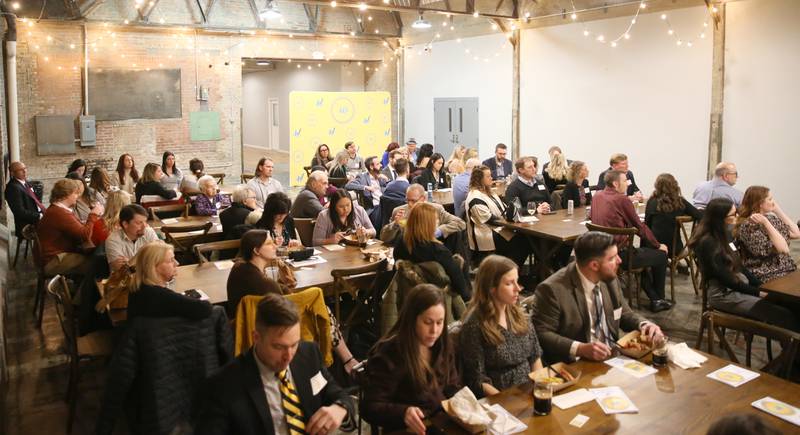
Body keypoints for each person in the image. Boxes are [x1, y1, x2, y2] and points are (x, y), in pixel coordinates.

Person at [195, 293, 355, 435]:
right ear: (256, 337)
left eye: (294, 344)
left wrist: (340, 408)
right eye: (279, 347)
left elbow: (335, 392)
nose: (289, 356)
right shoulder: (224, 385)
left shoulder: (308, 354)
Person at [532, 231, 665, 363]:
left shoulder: (609, 278)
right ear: (594, 265)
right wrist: (580, 348)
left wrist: (644, 325)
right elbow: (541, 333)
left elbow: (624, 313)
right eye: (612, 258)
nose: (619, 260)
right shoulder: (552, 290)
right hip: (576, 364)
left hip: (613, 356)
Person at [688, 198, 799, 332]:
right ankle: (790, 351)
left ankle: (791, 351)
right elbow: (727, 280)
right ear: (720, 218)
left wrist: (761, 286)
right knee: (784, 315)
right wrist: (758, 292)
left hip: (739, 287)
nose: (737, 217)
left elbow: (740, 266)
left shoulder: (725, 234)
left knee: (793, 305)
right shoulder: (708, 243)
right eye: (733, 214)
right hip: (724, 295)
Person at [362, 284, 460, 434]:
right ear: (412, 319)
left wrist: (461, 402)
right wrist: (404, 412)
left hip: (438, 423)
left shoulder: (443, 345)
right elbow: (370, 407)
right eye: (427, 322)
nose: (434, 331)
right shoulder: (390, 353)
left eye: (439, 322)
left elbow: (452, 386)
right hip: (405, 429)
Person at [459, 255, 543, 397]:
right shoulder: (474, 325)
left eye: (517, 281)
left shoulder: (519, 314)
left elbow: (535, 357)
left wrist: (542, 388)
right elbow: (478, 379)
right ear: (491, 287)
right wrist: (506, 403)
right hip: (500, 399)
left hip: (531, 392)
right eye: (510, 283)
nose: (518, 288)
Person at [591, 170, 672, 312]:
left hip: (600, 250)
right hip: (619, 254)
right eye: (625, 181)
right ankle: (659, 299)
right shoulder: (622, 199)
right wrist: (658, 245)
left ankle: (653, 297)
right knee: (660, 255)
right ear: (616, 184)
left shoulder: (597, 196)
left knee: (642, 255)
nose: (628, 184)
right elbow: (639, 227)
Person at [392, 203, 468, 299]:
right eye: (435, 219)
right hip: (437, 298)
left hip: (408, 296)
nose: (438, 221)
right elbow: (460, 285)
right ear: (428, 224)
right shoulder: (438, 251)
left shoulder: (400, 242)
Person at [128, 241, 212, 320]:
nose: (177, 263)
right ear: (154, 266)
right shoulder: (162, 296)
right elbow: (206, 308)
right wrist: (185, 299)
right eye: (171, 260)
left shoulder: (138, 286)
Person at [466, 165, 529, 267]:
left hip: (498, 227)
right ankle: (508, 270)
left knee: (526, 238)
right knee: (522, 242)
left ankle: (512, 270)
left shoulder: (490, 192)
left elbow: (503, 208)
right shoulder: (475, 197)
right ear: (479, 180)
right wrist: (510, 222)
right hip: (486, 233)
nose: (492, 178)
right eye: (488, 176)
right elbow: (490, 219)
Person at [37, 179, 103, 276]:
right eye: (75, 194)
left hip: (52, 256)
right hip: (52, 261)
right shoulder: (59, 213)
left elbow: (74, 228)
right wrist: (93, 215)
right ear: (67, 194)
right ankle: (83, 290)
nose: (77, 197)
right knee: (96, 263)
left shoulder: (57, 209)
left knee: (93, 254)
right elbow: (84, 236)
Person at [734, 186, 799, 282]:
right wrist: (766, 223)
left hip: (786, 268)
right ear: (760, 203)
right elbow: (783, 249)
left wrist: (777, 210)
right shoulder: (748, 226)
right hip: (768, 273)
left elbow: (796, 233)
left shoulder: (770, 218)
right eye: (770, 199)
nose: (773, 202)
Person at [225, 230, 286, 315]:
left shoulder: (238, 267)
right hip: (264, 325)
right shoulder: (265, 283)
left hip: (241, 323)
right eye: (269, 243)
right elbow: (285, 312)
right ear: (256, 251)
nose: (275, 246)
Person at [380, 184, 466, 244]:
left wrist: (439, 231)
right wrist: (394, 224)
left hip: (431, 251)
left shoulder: (435, 209)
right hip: (408, 252)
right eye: (407, 200)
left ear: (423, 198)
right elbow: (384, 238)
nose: (410, 204)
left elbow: (460, 223)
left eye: (413, 201)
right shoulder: (399, 211)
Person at [644, 173, 703, 256]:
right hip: (675, 248)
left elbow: (647, 225)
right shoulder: (680, 202)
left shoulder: (652, 202)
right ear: (674, 185)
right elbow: (700, 216)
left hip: (655, 246)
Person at [105, 204, 159, 271]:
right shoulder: (113, 240)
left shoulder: (148, 232)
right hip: (125, 280)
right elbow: (122, 271)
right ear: (125, 224)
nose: (144, 226)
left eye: (145, 221)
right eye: (139, 223)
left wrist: (130, 262)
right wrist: (146, 257)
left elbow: (160, 258)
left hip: (149, 276)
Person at [5, 161, 44, 241]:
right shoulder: (13, 188)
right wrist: (39, 216)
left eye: (25, 168)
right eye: (20, 170)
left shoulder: (24, 182)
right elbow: (19, 211)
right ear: (12, 173)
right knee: (57, 227)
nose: (24, 171)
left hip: (37, 216)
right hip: (28, 224)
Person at [346, 156, 387, 227]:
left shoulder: (381, 177)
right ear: (371, 167)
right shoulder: (362, 177)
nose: (381, 165)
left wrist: (386, 180)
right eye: (378, 164)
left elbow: (387, 189)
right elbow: (348, 186)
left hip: (384, 204)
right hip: (373, 208)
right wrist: (366, 187)